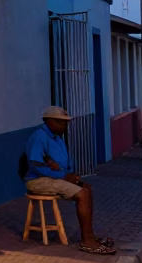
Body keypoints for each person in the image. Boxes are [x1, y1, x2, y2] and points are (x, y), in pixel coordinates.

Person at [24, 106, 115, 254]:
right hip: (38, 180)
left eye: (66, 123)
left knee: (86, 188)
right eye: (60, 122)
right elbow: (35, 166)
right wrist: (64, 177)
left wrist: (71, 176)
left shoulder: (57, 138)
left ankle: (90, 235)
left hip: (54, 178)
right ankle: (87, 242)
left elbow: (62, 165)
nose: (64, 126)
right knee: (82, 194)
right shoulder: (39, 137)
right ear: (48, 121)